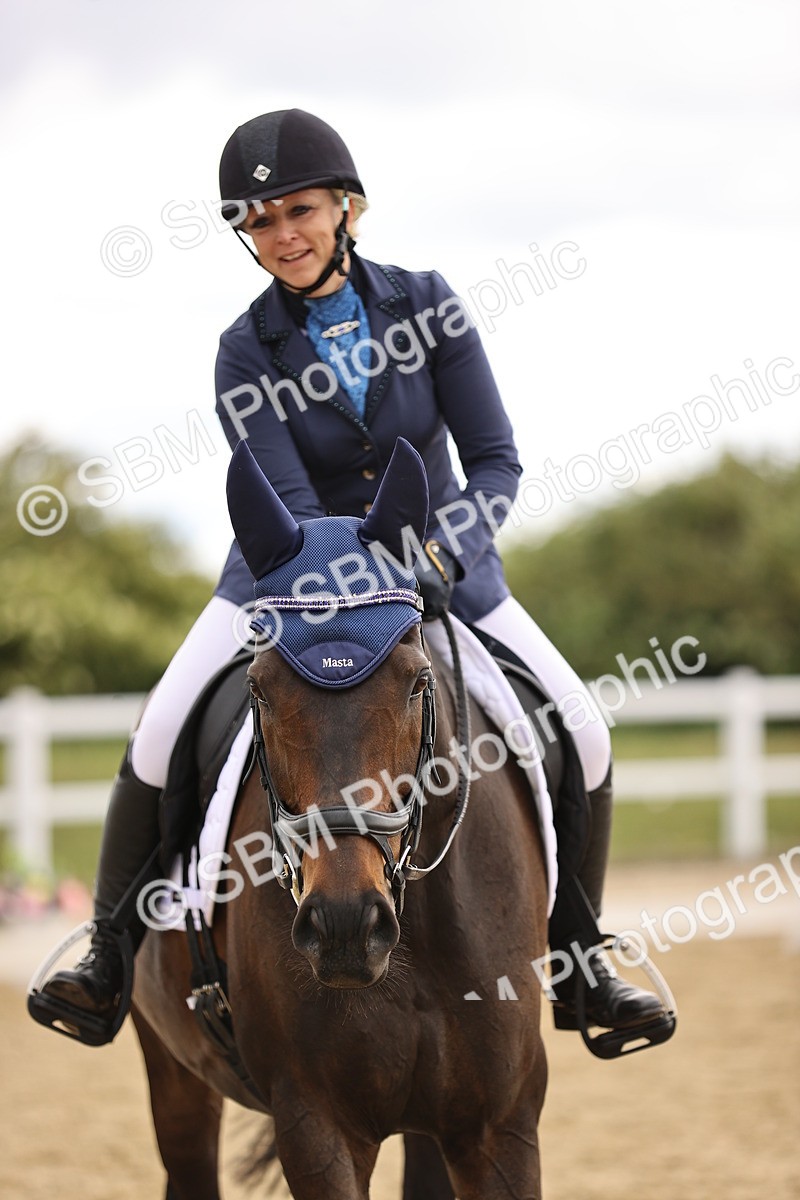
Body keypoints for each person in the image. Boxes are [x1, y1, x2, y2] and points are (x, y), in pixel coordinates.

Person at [40, 108, 664, 1040]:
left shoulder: (429, 303)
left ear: (346, 208)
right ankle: (106, 954)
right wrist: (381, 572)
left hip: (449, 566)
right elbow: (285, 505)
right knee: (163, 725)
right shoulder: (246, 348)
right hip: (284, 574)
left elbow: (495, 459)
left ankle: (580, 958)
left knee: (580, 724)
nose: (283, 235)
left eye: (298, 210)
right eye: (260, 222)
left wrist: (445, 553)